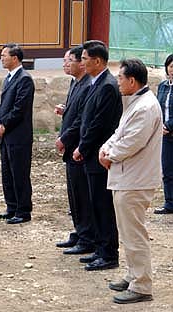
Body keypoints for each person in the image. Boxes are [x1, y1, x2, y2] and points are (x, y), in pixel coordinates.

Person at [99, 58, 162, 304]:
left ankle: (142, 285)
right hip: (127, 176)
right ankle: (133, 274)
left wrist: (109, 155)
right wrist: (106, 148)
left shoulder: (145, 107)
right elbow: (119, 133)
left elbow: (132, 141)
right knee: (127, 231)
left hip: (136, 179)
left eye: (120, 78)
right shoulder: (135, 102)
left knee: (134, 233)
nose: (118, 82)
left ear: (132, 81)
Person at [73, 40, 122, 271]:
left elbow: (99, 124)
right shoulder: (96, 83)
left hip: (99, 154)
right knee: (95, 203)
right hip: (92, 154)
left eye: (85, 59)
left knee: (103, 205)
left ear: (98, 61)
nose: (82, 62)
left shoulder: (108, 86)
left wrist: (83, 147)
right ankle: (100, 249)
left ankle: (108, 253)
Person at [54, 46, 95, 255]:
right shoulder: (75, 82)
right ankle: (79, 231)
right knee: (73, 194)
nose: (65, 64)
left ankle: (87, 236)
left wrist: (65, 138)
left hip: (79, 146)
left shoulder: (88, 85)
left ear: (81, 62)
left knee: (82, 193)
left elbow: (81, 119)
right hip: (70, 147)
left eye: (69, 60)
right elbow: (73, 112)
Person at [0, 43, 35, 224]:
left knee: (19, 172)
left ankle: (23, 210)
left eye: (4, 55)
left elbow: (20, 108)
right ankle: (11, 207)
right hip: (5, 133)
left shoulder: (24, 79)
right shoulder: (8, 78)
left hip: (18, 134)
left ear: (15, 58)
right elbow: (3, 105)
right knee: (7, 172)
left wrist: (4, 123)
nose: (2, 58)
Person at [154, 53, 173, 214]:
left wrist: (168, 125)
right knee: (167, 170)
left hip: (168, 129)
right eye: (171, 66)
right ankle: (169, 203)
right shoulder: (162, 86)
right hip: (165, 135)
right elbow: (157, 108)